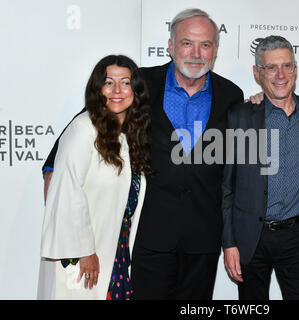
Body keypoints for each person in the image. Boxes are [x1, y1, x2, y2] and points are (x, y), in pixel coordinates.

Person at [42, 8, 243, 299]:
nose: (196, 53)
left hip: (203, 238)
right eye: (187, 43)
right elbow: (91, 117)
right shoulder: (141, 85)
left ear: (215, 50)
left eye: (206, 45)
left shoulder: (231, 95)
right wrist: (52, 172)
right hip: (148, 236)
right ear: (171, 46)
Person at [222, 35, 299, 300]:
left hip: (296, 236)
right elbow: (227, 187)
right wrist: (229, 243)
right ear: (258, 73)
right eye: (271, 67)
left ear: (295, 68)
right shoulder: (241, 116)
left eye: (286, 66)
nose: (280, 74)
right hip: (250, 238)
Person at [38, 55, 151, 299]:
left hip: (117, 254)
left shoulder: (133, 135)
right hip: (85, 258)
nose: (117, 90)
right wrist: (84, 251)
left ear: (136, 90)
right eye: (109, 83)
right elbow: (66, 191)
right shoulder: (83, 128)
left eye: (126, 82)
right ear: (97, 89)